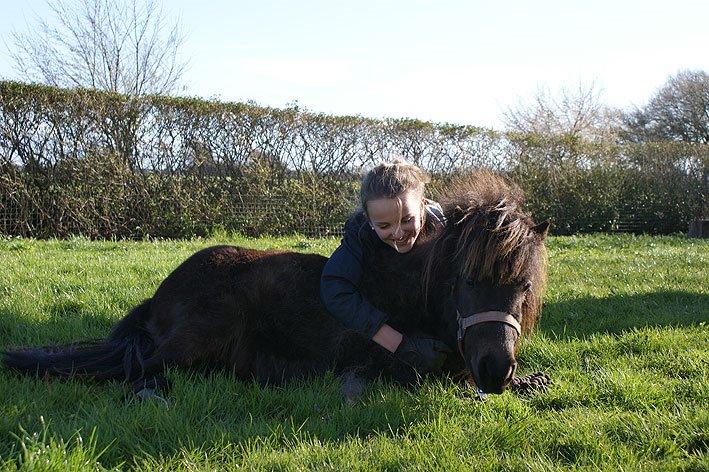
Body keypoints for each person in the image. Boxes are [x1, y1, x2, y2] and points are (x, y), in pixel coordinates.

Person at [320, 159, 451, 374]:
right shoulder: (360, 235)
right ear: (368, 220)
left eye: (407, 219)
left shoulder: (445, 231)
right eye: (384, 226)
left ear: (423, 205)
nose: (398, 233)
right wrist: (399, 344)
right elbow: (335, 288)